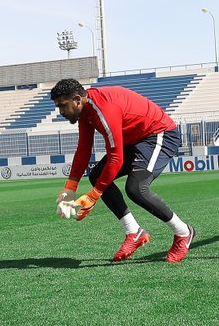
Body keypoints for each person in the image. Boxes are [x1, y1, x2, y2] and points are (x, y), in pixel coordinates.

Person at [51, 79, 196, 263]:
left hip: (158, 134)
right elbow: (84, 148)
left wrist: (94, 195)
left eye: (63, 105)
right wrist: (70, 188)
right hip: (134, 139)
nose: (61, 112)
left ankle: (183, 232)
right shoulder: (86, 110)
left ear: (78, 99)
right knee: (96, 175)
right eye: (58, 107)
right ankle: (133, 232)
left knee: (136, 189)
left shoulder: (103, 109)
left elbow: (115, 158)